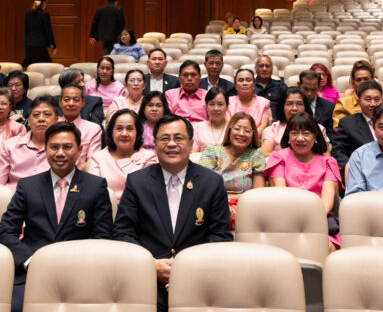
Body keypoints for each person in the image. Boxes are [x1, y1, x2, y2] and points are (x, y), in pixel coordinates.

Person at [113, 114, 232, 312]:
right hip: (146, 278)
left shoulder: (212, 182)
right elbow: (122, 233)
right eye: (164, 138)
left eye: (178, 138)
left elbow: (221, 236)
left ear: (191, 143)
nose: (171, 144)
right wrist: (151, 265)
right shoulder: (137, 182)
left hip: (199, 278)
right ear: (155, 144)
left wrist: (185, 268)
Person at [0, 121, 115, 312]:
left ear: (79, 150)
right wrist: (30, 261)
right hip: (32, 271)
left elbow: (102, 238)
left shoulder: (96, 186)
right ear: (46, 149)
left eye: (67, 147)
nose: (60, 153)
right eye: (54, 147)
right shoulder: (28, 186)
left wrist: (75, 264)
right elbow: (4, 233)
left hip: (80, 272)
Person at [265, 112, 341, 247]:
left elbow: (327, 199)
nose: (300, 138)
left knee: (326, 246)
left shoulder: (328, 162)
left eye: (306, 134)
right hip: (286, 218)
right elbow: (281, 194)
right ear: (288, 136)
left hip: (319, 220)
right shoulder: (278, 158)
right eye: (294, 133)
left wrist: (309, 222)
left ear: (315, 136)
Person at [199, 112, 265, 229]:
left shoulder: (256, 154)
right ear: (229, 130)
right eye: (237, 129)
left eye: (247, 130)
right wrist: (224, 202)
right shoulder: (212, 151)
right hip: (214, 203)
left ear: (253, 135)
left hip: (245, 206)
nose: (241, 133)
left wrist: (231, 199)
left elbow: (258, 194)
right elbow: (204, 186)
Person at [0, 95, 59, 190]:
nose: (41, 119)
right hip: (13, 199)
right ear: (29, 121)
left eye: (47, 114)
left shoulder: (63, 149)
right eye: (36, 115)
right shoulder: (10, 146)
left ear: (56, 121)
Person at [87, 109, 157, 199]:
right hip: (104, 209)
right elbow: (92, 192)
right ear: (111, 132)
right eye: (119, 128)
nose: (124, 134)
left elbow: (147, 194)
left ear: (138, 132)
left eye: (129, 129)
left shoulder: (149, 158)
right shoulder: (98, 158)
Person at [333, 80, 383, 173]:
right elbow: (338, 152)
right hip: (360, 171)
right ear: (359, 102)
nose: (373, 104)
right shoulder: (347, 123)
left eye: (377, 99)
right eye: (368, 99)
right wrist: (354, 168)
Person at [58, 81, 103, 166]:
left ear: (83, 103)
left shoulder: (93, 129)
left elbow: (92, 162)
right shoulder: (51, 124)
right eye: (67, 100)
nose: (71, 104)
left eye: (76, 100)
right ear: (60, 102)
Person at [227, 68, 271, 133]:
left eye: (248, 80)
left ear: (253, 85)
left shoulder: (263, 103)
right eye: (241, 80)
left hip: (256, 140)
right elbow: (228, 126)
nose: (245, 83)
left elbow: (263, 126)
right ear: (235, 86)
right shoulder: (228, 102)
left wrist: (250, 139)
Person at [298, 70, 337, 137]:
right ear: (299, 85)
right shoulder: (292, 106)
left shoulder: (329, 107)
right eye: (306, 89)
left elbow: (331, 135)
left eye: (313, 90)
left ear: (318, 87)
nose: (309, 93)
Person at [22, 0, 56, 69]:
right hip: (40, 45)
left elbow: (26, 30)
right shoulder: (45, 14)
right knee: (47, 66)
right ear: (43, 3)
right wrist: (53, 46)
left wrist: (28, 41)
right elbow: (48, 31)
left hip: (29, 44)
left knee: (30, 66)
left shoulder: (28, 14)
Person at [191, 86, 229, 152]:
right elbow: (193, 155)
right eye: (212, 104)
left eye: (220, 104)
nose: (216, 108)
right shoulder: (197, 128)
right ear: (206, 106)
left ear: (227, 106)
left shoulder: (233, 128)